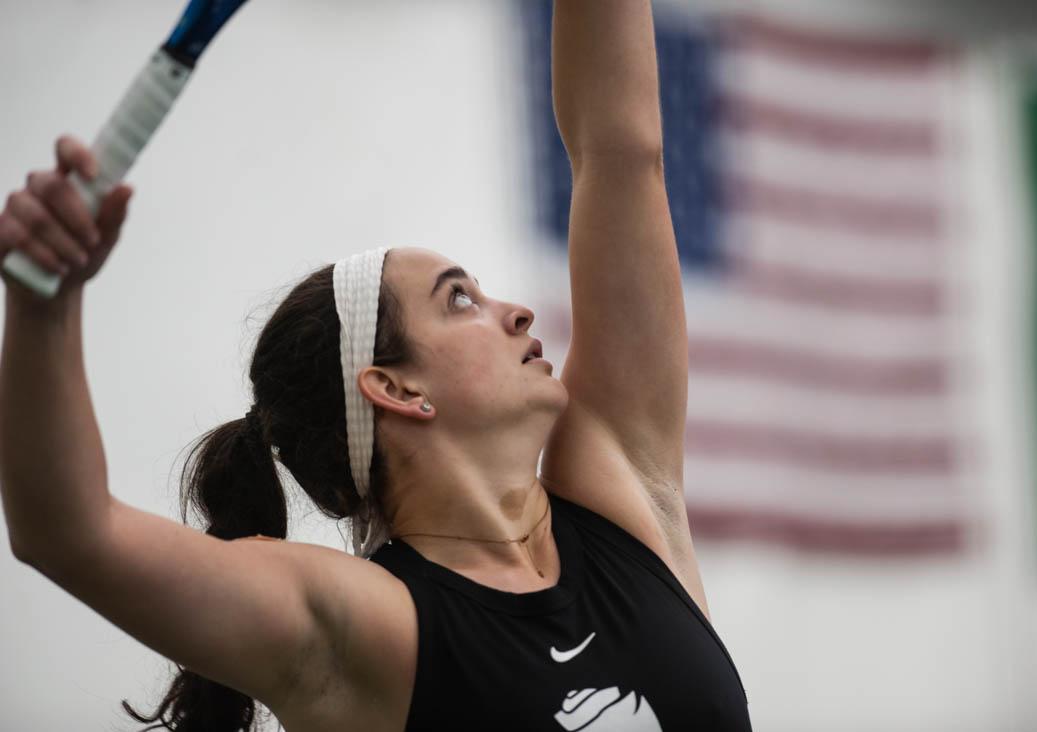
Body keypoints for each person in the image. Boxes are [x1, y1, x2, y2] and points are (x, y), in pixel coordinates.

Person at [0, 1, 751, 730]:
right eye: (461, 300)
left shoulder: (618, 495)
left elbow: (620, 151)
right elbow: (68, 533)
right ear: (393, 387)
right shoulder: (359, 625)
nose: (516, 312)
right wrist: (44, 306)